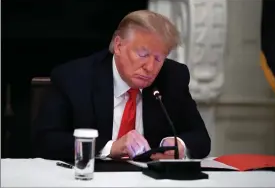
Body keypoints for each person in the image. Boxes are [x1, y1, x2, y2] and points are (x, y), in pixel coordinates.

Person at [32, 10, 211, 163]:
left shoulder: (173, 77)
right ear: (118, 45)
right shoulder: (75, 77)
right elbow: (46, 140)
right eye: (142, 54)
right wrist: (109, 148)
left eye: (158, 58)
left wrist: (178, 145)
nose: (150, 67)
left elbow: (201, 138)